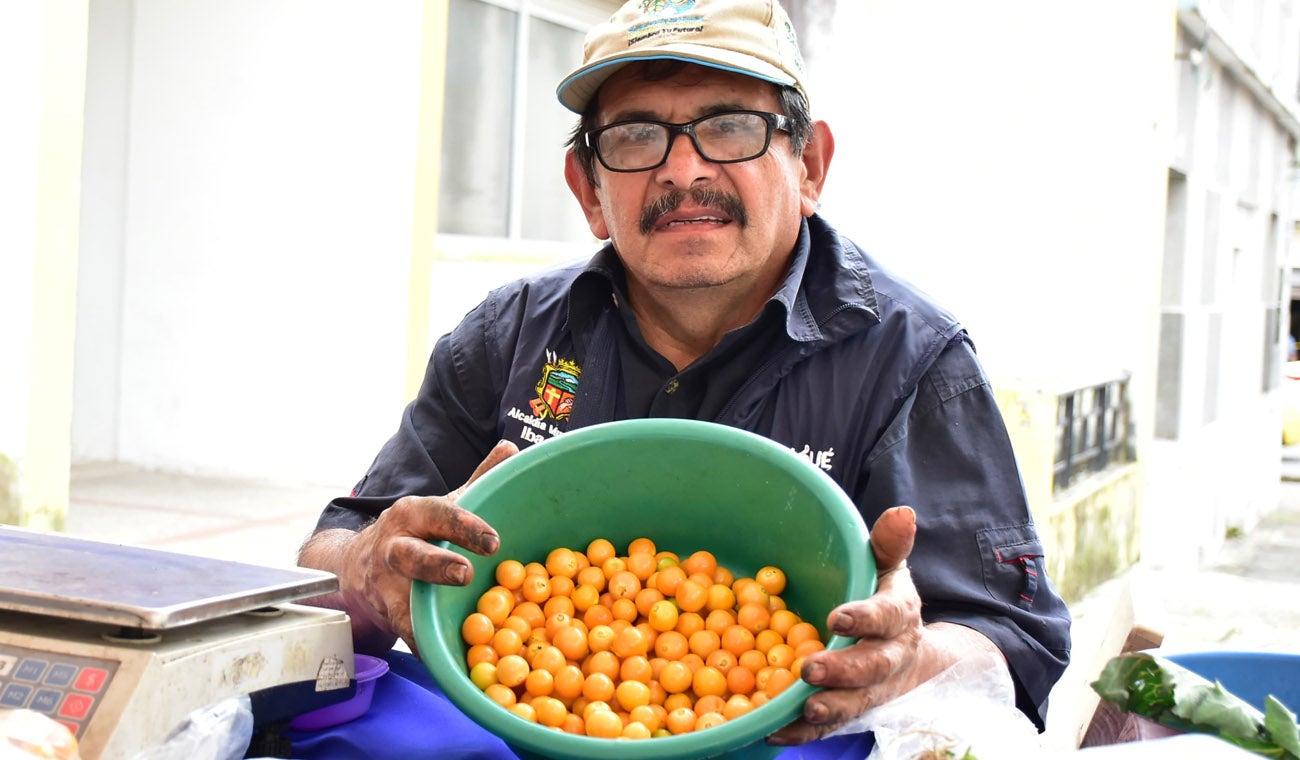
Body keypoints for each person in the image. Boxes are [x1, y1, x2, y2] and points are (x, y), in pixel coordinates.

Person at [294, 0, 1071, 755]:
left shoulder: (910, 358)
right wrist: (365, 567)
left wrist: (911, 657)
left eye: (730, 126)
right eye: (635, 137)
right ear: (588, 189)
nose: (683, 169)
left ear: (810, 165)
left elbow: (1013, 641)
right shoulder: (508, 335)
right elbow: (324, 563)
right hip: (510, 724)